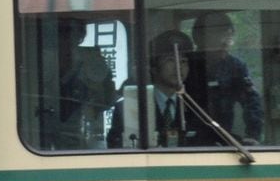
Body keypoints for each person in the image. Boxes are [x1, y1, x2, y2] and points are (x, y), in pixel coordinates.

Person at [108, 30, 195, 148]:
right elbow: (116, 148)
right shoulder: (130, 106)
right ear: (153, 66)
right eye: (170, 60)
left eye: (183, 61)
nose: (178, 66)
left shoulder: (195, 107)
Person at [189, 12, 263, 145]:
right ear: (199, 37)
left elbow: (252, 101)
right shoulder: (186, 65)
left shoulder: (235, 66)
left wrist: (253, 134)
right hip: (187, 141)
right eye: (217, 33)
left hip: (223, 138)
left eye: (229, 33)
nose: (225, 39)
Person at [45, 17, 115, 149]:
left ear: (81, 35)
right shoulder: (39, 57)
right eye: (62, 32)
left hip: (79, 129)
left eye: (70, 32)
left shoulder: (93, 60)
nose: (66, 38)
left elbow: (107, 99)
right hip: (40, 129)